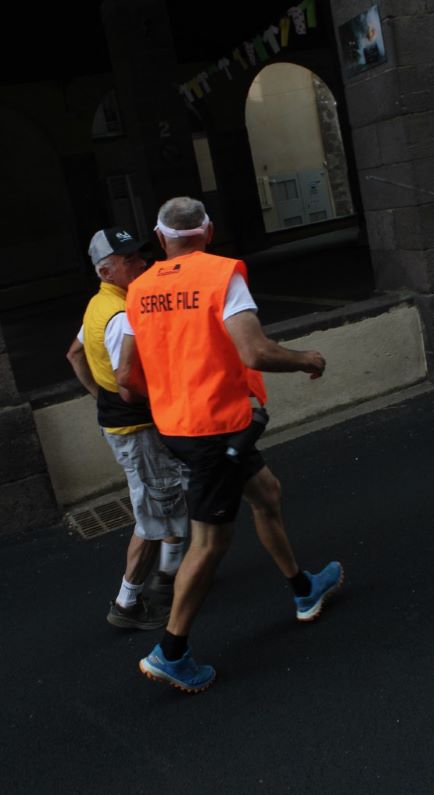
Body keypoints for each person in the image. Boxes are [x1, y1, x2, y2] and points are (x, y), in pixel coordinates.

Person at [118, 197, 344, 693]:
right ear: (209, 231)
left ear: (160, 238)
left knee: (267, 493)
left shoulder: (139, 289)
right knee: (209, 543)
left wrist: (168, 396)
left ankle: (304, 588)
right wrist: (307, 359)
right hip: (215, 430)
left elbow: (126, 377)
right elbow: (255, 352)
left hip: (178, 427)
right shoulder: (222, 275)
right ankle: (171, 652)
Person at [66, 227, 189, 630]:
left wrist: (102, 398)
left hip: (124, 426)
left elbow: (75, 354)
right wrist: (163, 399)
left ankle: (169, 577)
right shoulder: (120, 317)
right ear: (106, 272)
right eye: (130, 259)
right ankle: (128, 602)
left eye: (139, 255)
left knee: (167, 500)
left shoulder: (99, 305)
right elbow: (128, 384)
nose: (142, 263)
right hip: (137, 430)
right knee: (153, 517)